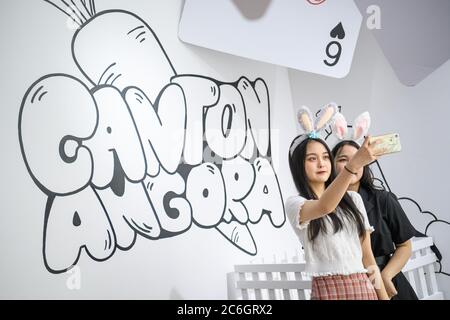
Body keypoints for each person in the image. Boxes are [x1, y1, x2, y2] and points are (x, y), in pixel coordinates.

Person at [285, 104, 389, 300]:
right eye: (312, 158)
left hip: (363, 288)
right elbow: (325, 206)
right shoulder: (295, 204)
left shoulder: (353, 199)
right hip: (328, 291)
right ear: (299, 166)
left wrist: (383, 298)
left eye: (325, 157)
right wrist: (353, 164)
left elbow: (368, 259)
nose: (321, 163)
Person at [332, 139, 419, 300]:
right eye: (343, 159)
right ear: (332, 164)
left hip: (389, 283)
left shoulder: (383, 199)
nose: (352, 164)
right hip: (349, 286)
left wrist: (385, 276)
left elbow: (405, 245)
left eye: (358, 158)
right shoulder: (326, 206)